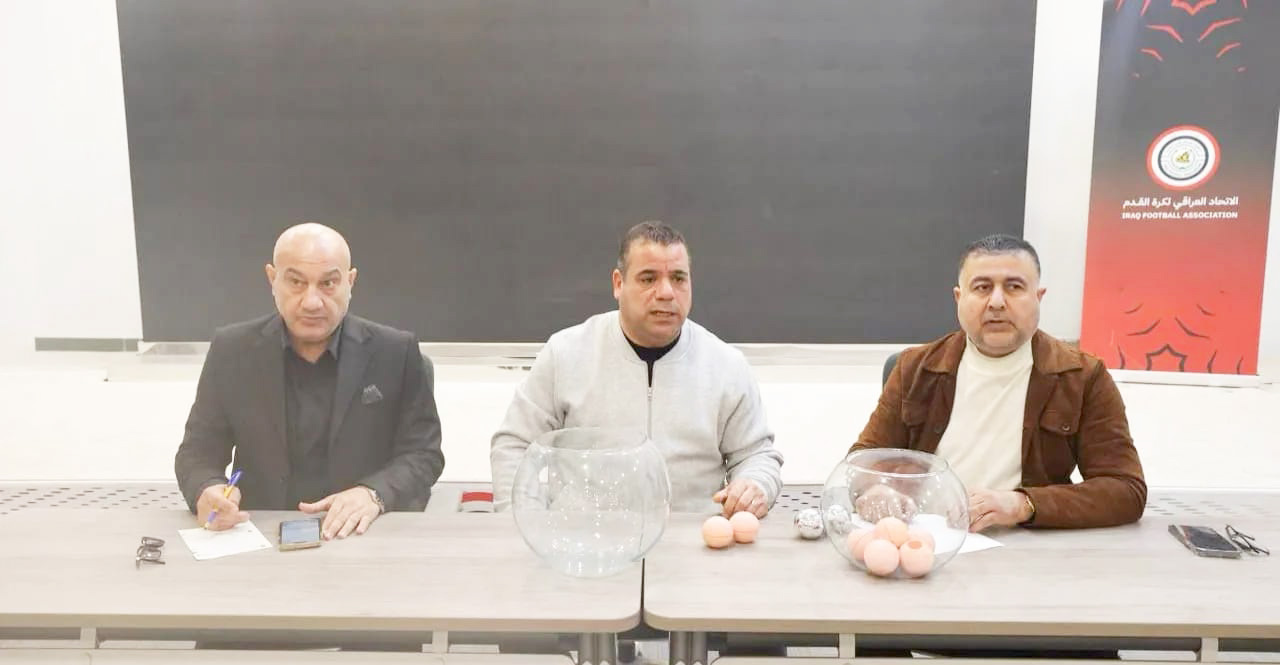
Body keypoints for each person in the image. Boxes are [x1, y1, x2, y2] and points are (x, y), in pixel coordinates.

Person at [851, 234, 1146, 530]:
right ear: (959, 298)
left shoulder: (1082, 376)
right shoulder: (914, 369)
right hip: (924, 538)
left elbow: (1125, 490)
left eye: (1014, 287)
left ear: (1038, 297)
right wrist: (874, 489)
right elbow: (860, 465)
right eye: (982, 287)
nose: (996, 302)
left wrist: (1023, 504)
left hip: (1026, 543)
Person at [490, 221, 783, 516]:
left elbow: (757, 456)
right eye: (648, 278)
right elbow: (514, 445)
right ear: (619, 284)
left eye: (678, 278)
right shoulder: (565, 354)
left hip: (695, 538)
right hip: (583, 539)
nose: (666, 292)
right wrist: (523, 521)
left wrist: (754, 485)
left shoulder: (726, 366)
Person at [175, 223, 444, 539]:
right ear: (272, 279)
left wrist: (373, 494)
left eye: (328, 283)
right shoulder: (232, 351)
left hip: (360, 532)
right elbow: (197, 453)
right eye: (296, 282)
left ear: (350, 282)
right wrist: (207, 489)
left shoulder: (395, 352)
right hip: (261, 533)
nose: (312, 302)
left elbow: (423, 454)